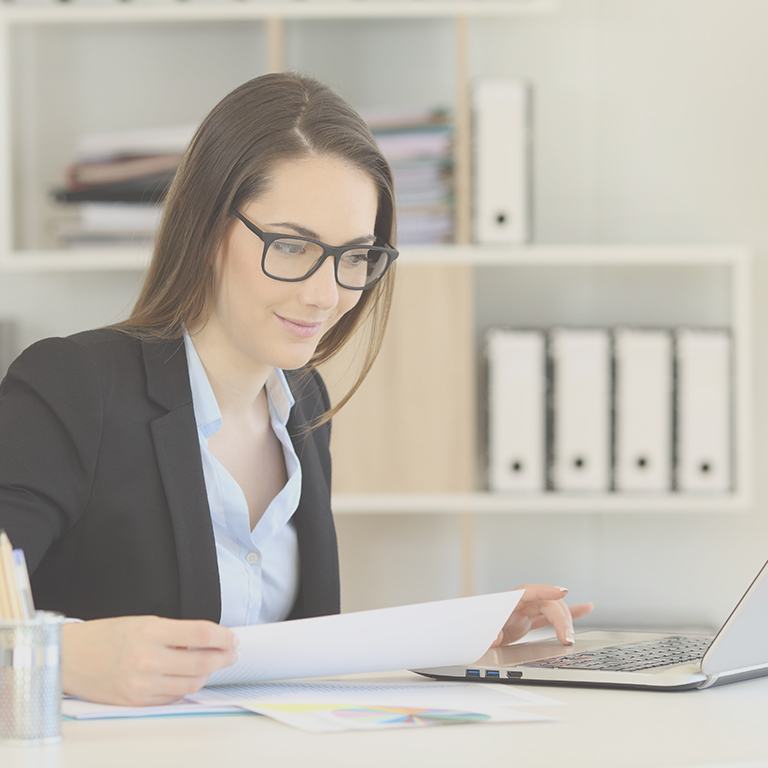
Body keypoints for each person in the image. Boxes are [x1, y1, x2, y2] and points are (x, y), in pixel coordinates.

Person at [0, 72, 592, 707]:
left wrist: (456, 637)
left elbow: (292, 653)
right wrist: (65, 655)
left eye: (354, 255)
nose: (326, 293)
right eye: (290, 246)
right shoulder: (72, 386)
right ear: (207, 230)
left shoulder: (303, 406)